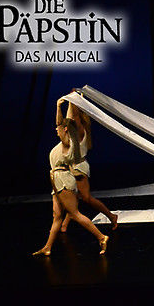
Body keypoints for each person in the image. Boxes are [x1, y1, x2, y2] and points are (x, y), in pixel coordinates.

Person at [33, 117, 109, 255]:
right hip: (56, 180)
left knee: (75, 214)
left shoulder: (67, 142)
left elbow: (60, 123)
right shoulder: (64, 142)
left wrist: (60, 107)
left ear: (66, 129)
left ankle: (101, 237)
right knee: (57, 216)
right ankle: (47, 247)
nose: (56, 128)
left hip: (63, 180)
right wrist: (58, 107)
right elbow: (59, 123)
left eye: (59, 127)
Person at [57, 96, 118, 232]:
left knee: (86, 198)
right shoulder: (76, 128)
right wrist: (71, 102)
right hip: (73, 166)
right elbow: (67, 120)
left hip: (79, 167)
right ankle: (65, 224)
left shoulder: (79, 129)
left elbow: (71, 119)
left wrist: (72, 102)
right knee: (73, 197)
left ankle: (111, 216)